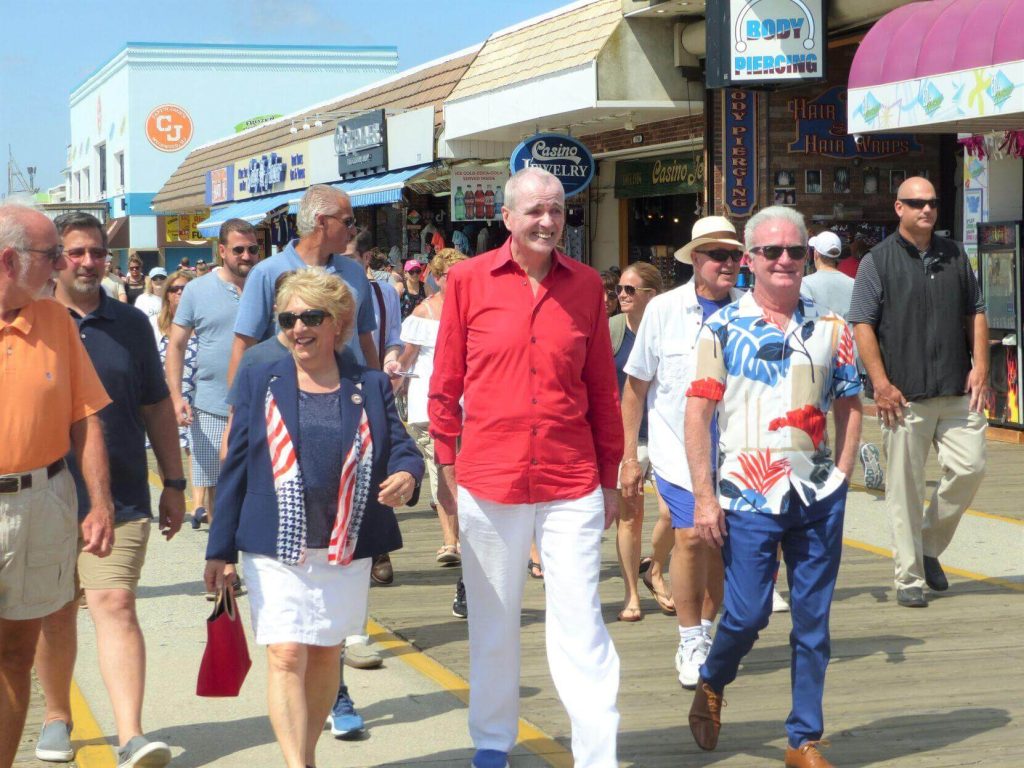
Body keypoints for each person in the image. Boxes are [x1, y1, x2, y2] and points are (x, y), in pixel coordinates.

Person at [430, 167, 623, 768]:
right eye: (534, 211)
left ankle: (598, 755)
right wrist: (446, 465)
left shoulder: (588, 285)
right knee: (493, 621)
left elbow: (601, 388)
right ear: (507, 218)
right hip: (491, 478)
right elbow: (445, 384)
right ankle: (492, 742)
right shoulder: (466, 281)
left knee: (581, 621)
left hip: (571, 478)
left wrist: (612, 476)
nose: (547, 221)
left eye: (557, 210)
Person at [205, 269, 423, 768]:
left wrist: (408, 477)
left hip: (344, 545)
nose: (298, 328)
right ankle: (296, 764)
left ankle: (305, 754)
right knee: (285, 653)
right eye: (288, 319)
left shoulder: (368, 384)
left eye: (310, 317)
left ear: (338, 323)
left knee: (326, 653)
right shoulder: (261, 378)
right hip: (275, 545)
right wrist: (219, 551)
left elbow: (403, 449)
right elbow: (235, 465)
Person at [684, 206, 863, 768]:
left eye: (793, 251)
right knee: (747, 612)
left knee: (814, 622)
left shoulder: (832, 328)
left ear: (807, 256)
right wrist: (704, 496)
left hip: (816, 492)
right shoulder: (721, 329)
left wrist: (843, 476)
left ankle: (802, 738)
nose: (783, 260)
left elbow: (850, 405)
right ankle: (713, 678)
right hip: (746, 492)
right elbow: (698, 415)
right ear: (749, 261)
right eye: (770, 252)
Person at [33, 212, 187, 768]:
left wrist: (174, 481)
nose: (88, 262)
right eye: (75, 252)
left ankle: (131, 734)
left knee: (115, 602)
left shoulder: (130, 324)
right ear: (55, 258)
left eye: (97, 252)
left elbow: (155, 403)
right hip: (42, 496)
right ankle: (56, 716)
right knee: (55, 612)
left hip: (119, 491)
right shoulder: (30, 320)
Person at [0, 204, 113, 768]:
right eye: (50, 256)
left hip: (43, 502)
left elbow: (86, 415)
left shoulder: (56, 321)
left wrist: (100, 504)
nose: (60, 267)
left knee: (17, 653)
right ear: (8, 260)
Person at [849, 176, 988, 608]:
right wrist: (881, 384)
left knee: (970, 468)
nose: (926, 210)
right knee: (904, 489)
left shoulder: (953, 254)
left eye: (931, 202)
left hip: (955, 386)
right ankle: (908, 576)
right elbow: (862, 324)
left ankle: (927, 546)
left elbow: (975, 310)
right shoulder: (877, 261)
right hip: (902, 396)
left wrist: (981, 365)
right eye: (916, 203)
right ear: (899, 208)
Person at [621, 216, 745, 685]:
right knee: (692, 534)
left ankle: (707, 628)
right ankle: (689, 636)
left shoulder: (751, 309)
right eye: (718, 255)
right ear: (695, 259)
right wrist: (629, 456)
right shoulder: (663, 310)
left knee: (719, 543)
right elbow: (635, 388)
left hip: (735, 452)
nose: (729, 263)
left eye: (735, 255)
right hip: (675, 447)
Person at [228, 185, 379, 384]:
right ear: (322, 221)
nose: (353, 231)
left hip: (350, 394)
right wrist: (237, 409)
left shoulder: (355, 273)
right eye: (348, 222)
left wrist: (379, 397)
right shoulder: (266, 273)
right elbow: (243, 345)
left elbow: (365, 340)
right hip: (286, 397)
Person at [166, 218, 256, 532]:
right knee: (218, 493)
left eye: (252, 249)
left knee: (260, 489)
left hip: (262, 406)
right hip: (211, 407)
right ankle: (225, 567)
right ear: (221, 251)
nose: (246, 256)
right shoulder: (196, 290)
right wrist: (176, 397)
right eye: (238, 249)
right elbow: (176, 345)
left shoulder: (268, 285)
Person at [395, 247, 468, 614]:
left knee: (466, 470)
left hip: (470, 401)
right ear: (438, 277)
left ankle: (466, 536)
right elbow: (404, 360)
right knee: (443, 468)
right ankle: (450, 539)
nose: (458, 282)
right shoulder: (423, 314)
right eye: (451, 276)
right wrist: (387, 391)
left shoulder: (474, 307)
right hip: (430, 401)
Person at [804, 231, 885, 490]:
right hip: (850, 356)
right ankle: (859, 447)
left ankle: (825, 463)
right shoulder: (853, 284)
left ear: (815, 254)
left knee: (817, 411)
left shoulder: (806, 284)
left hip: (817, 356)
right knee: (847, 412)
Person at [609, 262, 664, 622]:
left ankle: (656, 568)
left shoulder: (668, 326)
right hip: (628, 436)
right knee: (630, 517)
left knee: (675, 513)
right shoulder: (611, 329)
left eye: (631, 290)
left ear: (651, 295)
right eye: (620, 289)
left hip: (666, 433)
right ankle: (631, 592)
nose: (622, 295)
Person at [151, 269, 198, 478]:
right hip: (164, 395)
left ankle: (199, 504)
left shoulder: (201, 323)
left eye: (185, 289)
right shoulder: (155, 325)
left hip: (196, 393)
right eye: (174, 289)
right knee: (166, 450)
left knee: (195, 451)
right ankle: (168, 492)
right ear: (167, 294)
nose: (179, 293)